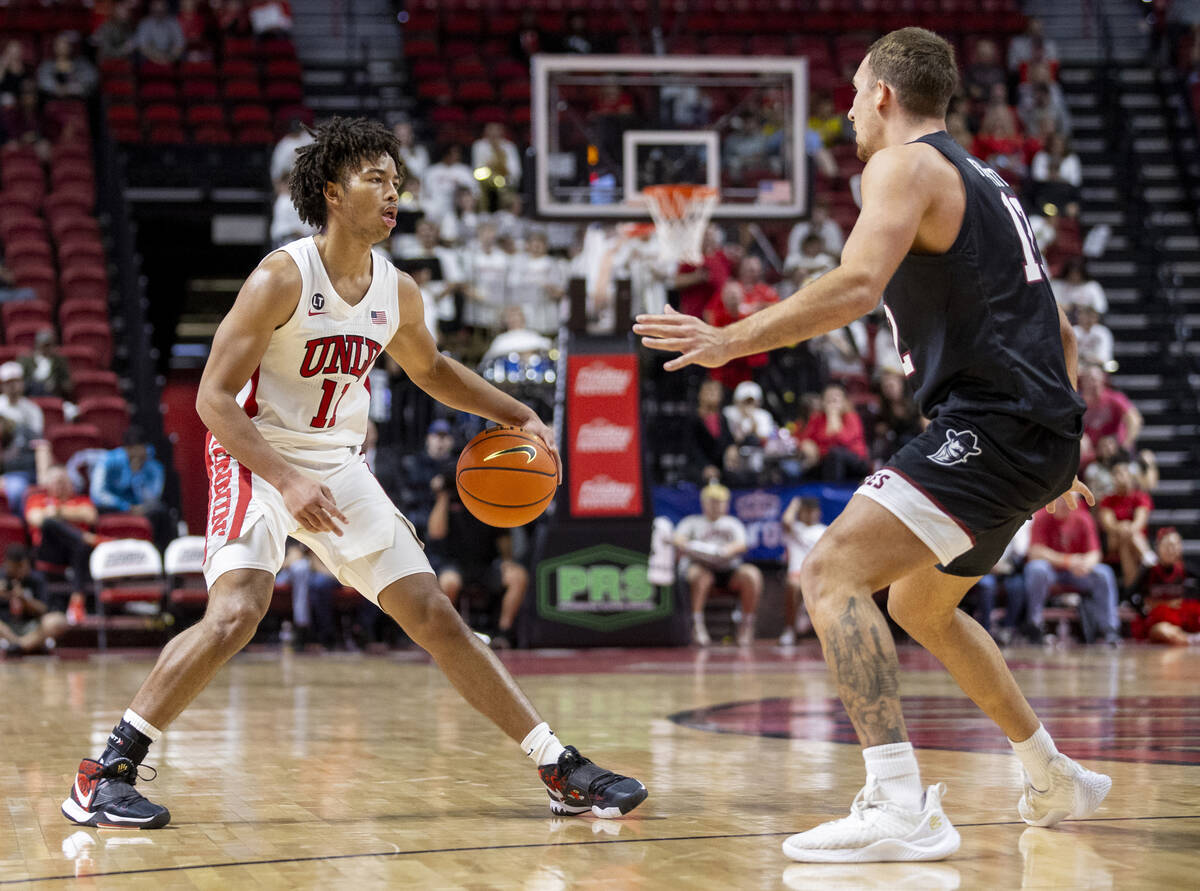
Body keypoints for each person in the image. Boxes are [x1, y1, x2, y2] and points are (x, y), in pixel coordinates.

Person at [61, 118, 645, 830]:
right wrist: (284, 477)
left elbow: (431, 370)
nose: (394, 194)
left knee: (436, 614)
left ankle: (560, 767)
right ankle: (105, 772)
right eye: (377, 179)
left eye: (397, 182)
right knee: (238, 612)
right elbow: (213, 398)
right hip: (254, 450)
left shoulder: (395, 290)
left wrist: (514, 411)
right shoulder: (282, 275)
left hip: (337, 461)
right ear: (334, 192)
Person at [636, 28, 1109, 862]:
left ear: (883, 95)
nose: (849, 110)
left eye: (854, 94)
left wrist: (726, 339)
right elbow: (1059, 326)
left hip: (991, 423)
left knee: (830, 571)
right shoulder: (988, 181)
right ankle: (1050, 769)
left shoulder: (901, 165)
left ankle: (898, 801)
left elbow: (856, 284)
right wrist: (1062, 452)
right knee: (919, 605)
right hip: (1031, 428)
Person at [427, 471, 528, 650]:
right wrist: (442, 496)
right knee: (449, 582)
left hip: (486, 565)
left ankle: (503, 633)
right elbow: (436, 533)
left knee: (518, 577)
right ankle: (447, 634)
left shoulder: (487, 500)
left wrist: (507, 560)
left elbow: (503, 537)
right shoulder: (449, 500)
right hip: (455, 565)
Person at [673, 483, 761, 647]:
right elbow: (678, 539)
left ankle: (746, 624)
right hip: (700, 568)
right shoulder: (692, 522)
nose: (716, 505)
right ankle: (697, 625)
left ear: (726, 504)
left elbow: (741, 545)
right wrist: (697, 547)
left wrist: (723, 551)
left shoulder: (732, 523)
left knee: (751, 574)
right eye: (712, 501)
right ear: (703, 503)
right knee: (701, 575)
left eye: (720, 501)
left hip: (728, 570)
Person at [1024, 499, 1121, 645]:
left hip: (1077, 573)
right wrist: (1068, 561)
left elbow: (1095, 554)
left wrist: (1085, 565)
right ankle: (1034, 624)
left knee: (1104, 573)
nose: (1066, 505)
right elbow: (1035, 552)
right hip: (1052, 573)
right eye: (1062, 500)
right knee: (1036, 569)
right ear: (1054, 500)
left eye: (1070, 501)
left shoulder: (1083, 518)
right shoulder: (1042, 516)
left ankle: (1109, 629)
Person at [25, 464, 100, 605]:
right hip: (50, 551)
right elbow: (35, 519)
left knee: (80, 545)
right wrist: (74, 515)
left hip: (77, 552)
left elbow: (90, 516)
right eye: (58, 481)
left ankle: (77, 598)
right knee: (49, 523)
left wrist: (58, 512)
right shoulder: (37, 499)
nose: (62, 485)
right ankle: (84, 537)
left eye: (65, 481)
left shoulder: (81, 500)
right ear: (48, 485)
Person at [89, 427, 172, 550]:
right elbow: (97, 493)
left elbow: (154, 497)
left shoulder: (154, 467)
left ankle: (160, 554)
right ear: (126, 449)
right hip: (113, 506)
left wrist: (138, 477)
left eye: (142, 449)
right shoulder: (108, 461)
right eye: (133, 450)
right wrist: (124, 506)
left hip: (141, 508)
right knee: (92, 511)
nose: (137, 454)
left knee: (161, 511)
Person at [1133, 528, 1199, 645]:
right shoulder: (1150, 572)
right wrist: (1151, 607)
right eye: (1167, 546)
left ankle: (1187, 637)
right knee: (1162, 631)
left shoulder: (1186, 570)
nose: (1171, 550)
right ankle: (1189, 639)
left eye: (1175, 545)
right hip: (1158, 620)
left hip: (1182, 619)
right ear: (1158, 547)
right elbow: (1131, 597)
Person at [795, 381, 870, 482]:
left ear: (844, 402)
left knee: (835, 454)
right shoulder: (817, 418)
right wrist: (807, 445)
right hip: (825, 461)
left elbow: (843, 441)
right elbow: (805, 438)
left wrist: (833, 416)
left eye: (836, 398)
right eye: (829, 398)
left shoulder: (851, 417)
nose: (832, 401)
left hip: (854, 462)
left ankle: (833, 492)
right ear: (823, 402)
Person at [0, 545, 67, 655]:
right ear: (7, 564)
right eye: (14, 567)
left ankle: (20, 646)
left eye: (21, 566)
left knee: (58, 620)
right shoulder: (1, 577)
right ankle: (20, 645)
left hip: (31, 627)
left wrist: (24, 599)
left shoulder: (36, 579)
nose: (18, 571)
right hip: (6, 628)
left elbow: (43, 610)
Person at [1097, 463, 1153, 589]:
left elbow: (1140, 521)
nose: (1118, 477)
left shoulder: (1140, 496)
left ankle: (1131, 591)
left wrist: (1129, 529)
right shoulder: (1107, 499)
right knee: (1124, 536)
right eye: (1115, 474)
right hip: (1114, 540)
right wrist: (1124, 527)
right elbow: (1108, 525)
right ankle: (1149, 560)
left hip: (1131, 539)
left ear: (1130, 476)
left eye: (1121, 473)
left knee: (1125, 545)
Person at [779, 496, 825, 645]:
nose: (810, 514)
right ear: (800, 512)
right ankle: (790, 630)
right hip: (797, 574)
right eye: (806, 511)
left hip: (820, 575)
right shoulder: (795, 528)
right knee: (793, 585)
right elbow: (786, 521)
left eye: (813, 511)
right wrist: (794, 504)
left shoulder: (825, 530)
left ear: (818, 512)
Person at [0, 360, 43, 509]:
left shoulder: (33, 410)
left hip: (26, 464)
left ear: (22, 383)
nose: (12, 386)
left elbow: (38, 443)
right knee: (16, 489)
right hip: (5, 465)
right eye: (8, 382)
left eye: (16, 381)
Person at [1080, 364, 1141, 454]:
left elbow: (1134, 419)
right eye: (1089, 379)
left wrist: (1126, 444)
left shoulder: (1114, 398)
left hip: (1113, 449)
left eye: (1095, 379)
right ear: (1082, 381)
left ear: (1103, 379)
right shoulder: (1078, 403)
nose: (1093, 383)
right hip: (1089, 451)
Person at [36, 33, 98, 100]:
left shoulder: (82, 63)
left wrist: (70, 89)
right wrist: (57, 89)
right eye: (60, 44)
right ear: (54, 47)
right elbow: (42, 81)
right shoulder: (47, 65)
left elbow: (91, 79)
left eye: (66, 44)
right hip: (52, 100)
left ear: (71, 47)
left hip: (77, 100)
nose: (63, 47)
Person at [19, 328, 74, 400]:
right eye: (44, 345)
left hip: (52, 395)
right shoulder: (26, 360)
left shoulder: (59, 360)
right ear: (37, 345)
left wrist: (56, 385)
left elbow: (68, 384)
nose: (47, 348)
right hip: (31, 395)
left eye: (49, 345)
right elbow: (20, 381)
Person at [133, 0, 185, 66]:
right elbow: (142, 45)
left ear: (166, 7)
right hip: (151, 55)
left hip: (170, 54)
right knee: (138, 56)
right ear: (151, 8)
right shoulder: (144, 22)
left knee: (183, 56)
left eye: (161, 6)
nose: (159, 9)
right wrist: (158, 58)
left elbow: (179, 42)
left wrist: (171, 57)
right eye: (156, 6)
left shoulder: (173, 21)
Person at [1072, 305, 1113, 370]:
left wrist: (1087, 358)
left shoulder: (1103, 332)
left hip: (1097, 368)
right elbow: (1068, 358)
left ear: (1096, 318)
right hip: (1076, 368)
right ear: (1079, 317)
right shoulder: (1072, 332)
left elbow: (1105, 360)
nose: (1088, 319)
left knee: (1094, 374)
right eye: (1085, 316)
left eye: (1091, 316)